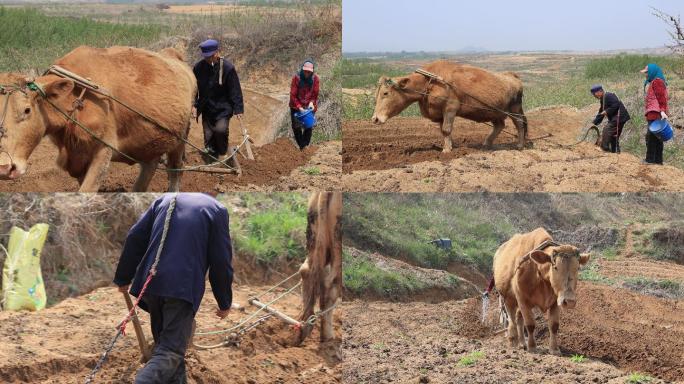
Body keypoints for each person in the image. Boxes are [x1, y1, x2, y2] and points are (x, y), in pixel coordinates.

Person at [113, 193, 233, 384]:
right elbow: (221, 260)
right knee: (171, 351)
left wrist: (123, 277)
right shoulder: (216, 209)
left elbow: (135, 237)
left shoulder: (164, 200)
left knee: (168, 351)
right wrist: (224, 301)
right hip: (182, 288)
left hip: (152, 285)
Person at [193, 39, 244, 164]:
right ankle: (210, 158)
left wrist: (238, 109)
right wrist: (194, 105)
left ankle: (222, 154)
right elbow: (194, 89)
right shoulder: (198, 68)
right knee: (208, 136)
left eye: (210, 56)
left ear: (217, 53)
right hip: (206, 107)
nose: (208, 59)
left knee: (220, 130)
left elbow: (235, 90)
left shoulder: (228, 68)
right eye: (206, 57)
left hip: (223, 108)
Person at [641, 63, 669, 165]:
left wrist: (662, 111)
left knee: (651, 137)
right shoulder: (656, 81)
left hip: (656, 114)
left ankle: (650, 160)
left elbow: (662, 98)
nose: (646, 75)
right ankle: (658, 160)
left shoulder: (657, 82)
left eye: (647, 72)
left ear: (652, 72)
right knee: (657, 137)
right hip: (655, 113)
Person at [289, 60, 320, 150]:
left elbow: (315, 94)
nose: (306, 73)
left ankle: (305, 147)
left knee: (308, 126)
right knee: (296, 127)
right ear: (302, 70)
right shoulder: (296, 78)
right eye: (305, 71)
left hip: (308, 106)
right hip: (296, 105)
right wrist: (299, 107)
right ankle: (302, 147)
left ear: (312, 72)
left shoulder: (315, 79)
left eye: (309, 72)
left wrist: (311, 102)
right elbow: (293, 95)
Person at [590, 85, 630, 153]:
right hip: (617, 118)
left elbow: (616, 104)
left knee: (607, 129)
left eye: (595, 93)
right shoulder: (603, 99)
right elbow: (601, 111)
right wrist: (594, 122)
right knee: (614, 135)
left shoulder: (609, 95)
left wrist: (607, 111)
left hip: (619, 117)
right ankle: (616, 151)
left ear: (600, 91)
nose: (594, 95)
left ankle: (604, 148)